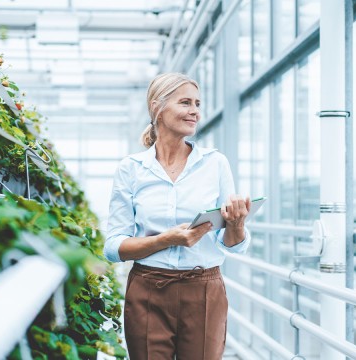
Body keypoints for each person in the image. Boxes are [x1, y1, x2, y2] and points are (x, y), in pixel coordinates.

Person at [104, 72, 251, 360]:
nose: (195, 111)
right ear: (157, 108)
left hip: (204, 291)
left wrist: (237, 224)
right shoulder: (131, 169)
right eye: (185, 102)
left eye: (197, 103)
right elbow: (113, 247)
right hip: (147, 292)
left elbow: (231, 242)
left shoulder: (215, 164)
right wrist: (166, 240)